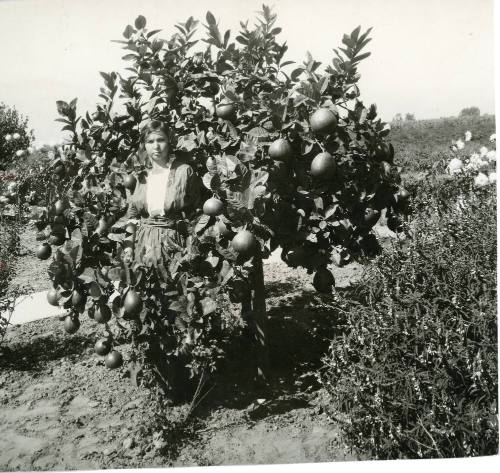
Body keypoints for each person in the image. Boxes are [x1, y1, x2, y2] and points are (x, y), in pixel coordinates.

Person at [126, 120, 201, 267]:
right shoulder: (139, 177)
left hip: (175, 245)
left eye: (161, 140)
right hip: (143, 246)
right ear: (144, 145)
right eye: (150, 141)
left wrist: (191, 249)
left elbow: (197, 214)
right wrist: (128, 248)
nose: (156, 146)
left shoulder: (184, 172)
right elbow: (132, 217)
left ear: (169, 141)